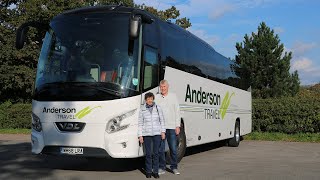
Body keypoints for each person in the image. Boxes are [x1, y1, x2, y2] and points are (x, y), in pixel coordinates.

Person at [155, 80, 181, 175]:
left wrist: (177, 126)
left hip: (171, 127)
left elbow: (177, 111)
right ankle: (161, 167)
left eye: (164, 87)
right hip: (161, 128)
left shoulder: (173, 97)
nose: (163, 88)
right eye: (161, 87)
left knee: (173, 148)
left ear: (168, 87)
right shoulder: (157, 97)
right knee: (160, 149)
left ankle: (174, 167)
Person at [138, 92, 166, 179]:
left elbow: (162, 120)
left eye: (151, 98)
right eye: (148, 99)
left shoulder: (158, 108)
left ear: (153, 99)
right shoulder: (142, 110)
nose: (149, 100)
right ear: (146, 100)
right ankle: (148, 171)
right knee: (148, 154)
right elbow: (140, 123)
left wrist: (163, 132)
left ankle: (156, 171)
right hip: (147, 135)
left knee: (156, 153)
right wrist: (140, 135)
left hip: (157, 134)